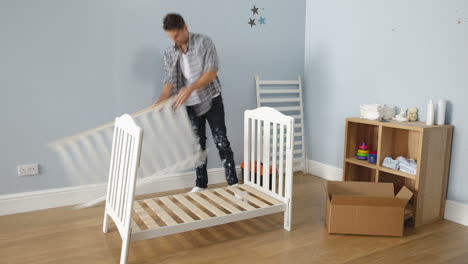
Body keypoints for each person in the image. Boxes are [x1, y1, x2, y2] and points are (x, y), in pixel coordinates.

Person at [153, 13, 238, 193]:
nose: (174, 40)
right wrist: (162, 98)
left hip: (212, 98)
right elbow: (169, 81)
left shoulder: (204, 42)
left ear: (185, 28)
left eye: (176, 36)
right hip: (191, 105)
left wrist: (190, 88)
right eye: (171, 37)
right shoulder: (170, 52)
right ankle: (200, 184)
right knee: (198, 146)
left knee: (221, 140)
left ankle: (233, 183)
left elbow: (211, 72)